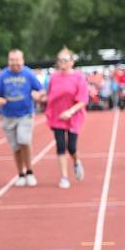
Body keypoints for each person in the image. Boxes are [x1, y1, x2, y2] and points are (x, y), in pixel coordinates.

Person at [0, 49, 45, 187]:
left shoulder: (28, 73)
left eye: (17, 60)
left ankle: (30, 171)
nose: (15, 63)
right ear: (9, 61)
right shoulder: (3, 75)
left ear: (22, 60)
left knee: (24, 141)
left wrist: (38, 95)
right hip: (8, 116)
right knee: (15, 147)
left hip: (25, 114)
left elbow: (41, 90)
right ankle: (20, 173)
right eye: (12, 60)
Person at [44, 47, 89, 189]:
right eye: (60, 60)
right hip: (57, 115)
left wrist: (70, 111)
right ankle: (64, 176)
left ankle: (76, 162)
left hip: (74, 115)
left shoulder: (79, 77)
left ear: (72, 62)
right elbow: (50, 95)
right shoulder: (54, 77)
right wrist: (40, 97)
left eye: (65, 60)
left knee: (71, 146)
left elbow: (83, 99)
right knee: (60, 145)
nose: (62, 63)